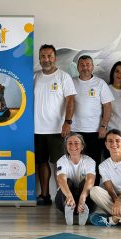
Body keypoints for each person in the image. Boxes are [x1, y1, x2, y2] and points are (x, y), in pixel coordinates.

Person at [33, 44, 76, 205]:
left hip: (58, 129)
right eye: (43, 56)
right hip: (37, 129)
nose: (46, 59)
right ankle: (45, 195)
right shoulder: (34, 77)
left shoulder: (64, 77)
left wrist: (67, 122)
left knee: (59, 164)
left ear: (55, 58)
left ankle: (63, 197)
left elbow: (70, 101)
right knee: (41, 162)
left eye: (49, 56)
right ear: (39, 59)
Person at [70, 55, 114, 167]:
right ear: (77, 67)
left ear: (92, 67)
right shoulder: (71, 82)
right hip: (75, 130)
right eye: (82, 65)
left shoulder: (100, 83)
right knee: (76, 163)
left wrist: (104, 126)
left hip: (95, 131)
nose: (85, 68)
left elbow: (107, 107)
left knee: (94, 163)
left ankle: (94, 180)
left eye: (88, 65)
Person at [55, 134, 96, 226]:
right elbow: (61, 180)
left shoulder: (89, 161)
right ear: (66, 147)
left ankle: (83, 209)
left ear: (82, 146)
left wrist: (83, 197)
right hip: (65, 200)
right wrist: (69, 196)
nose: (73, 145)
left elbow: (90, 180)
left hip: (85, 200)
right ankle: (68, 207)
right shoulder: (62, 161)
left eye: (76, 143)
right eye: (70, 143)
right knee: (68, 182)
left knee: (85, 183)